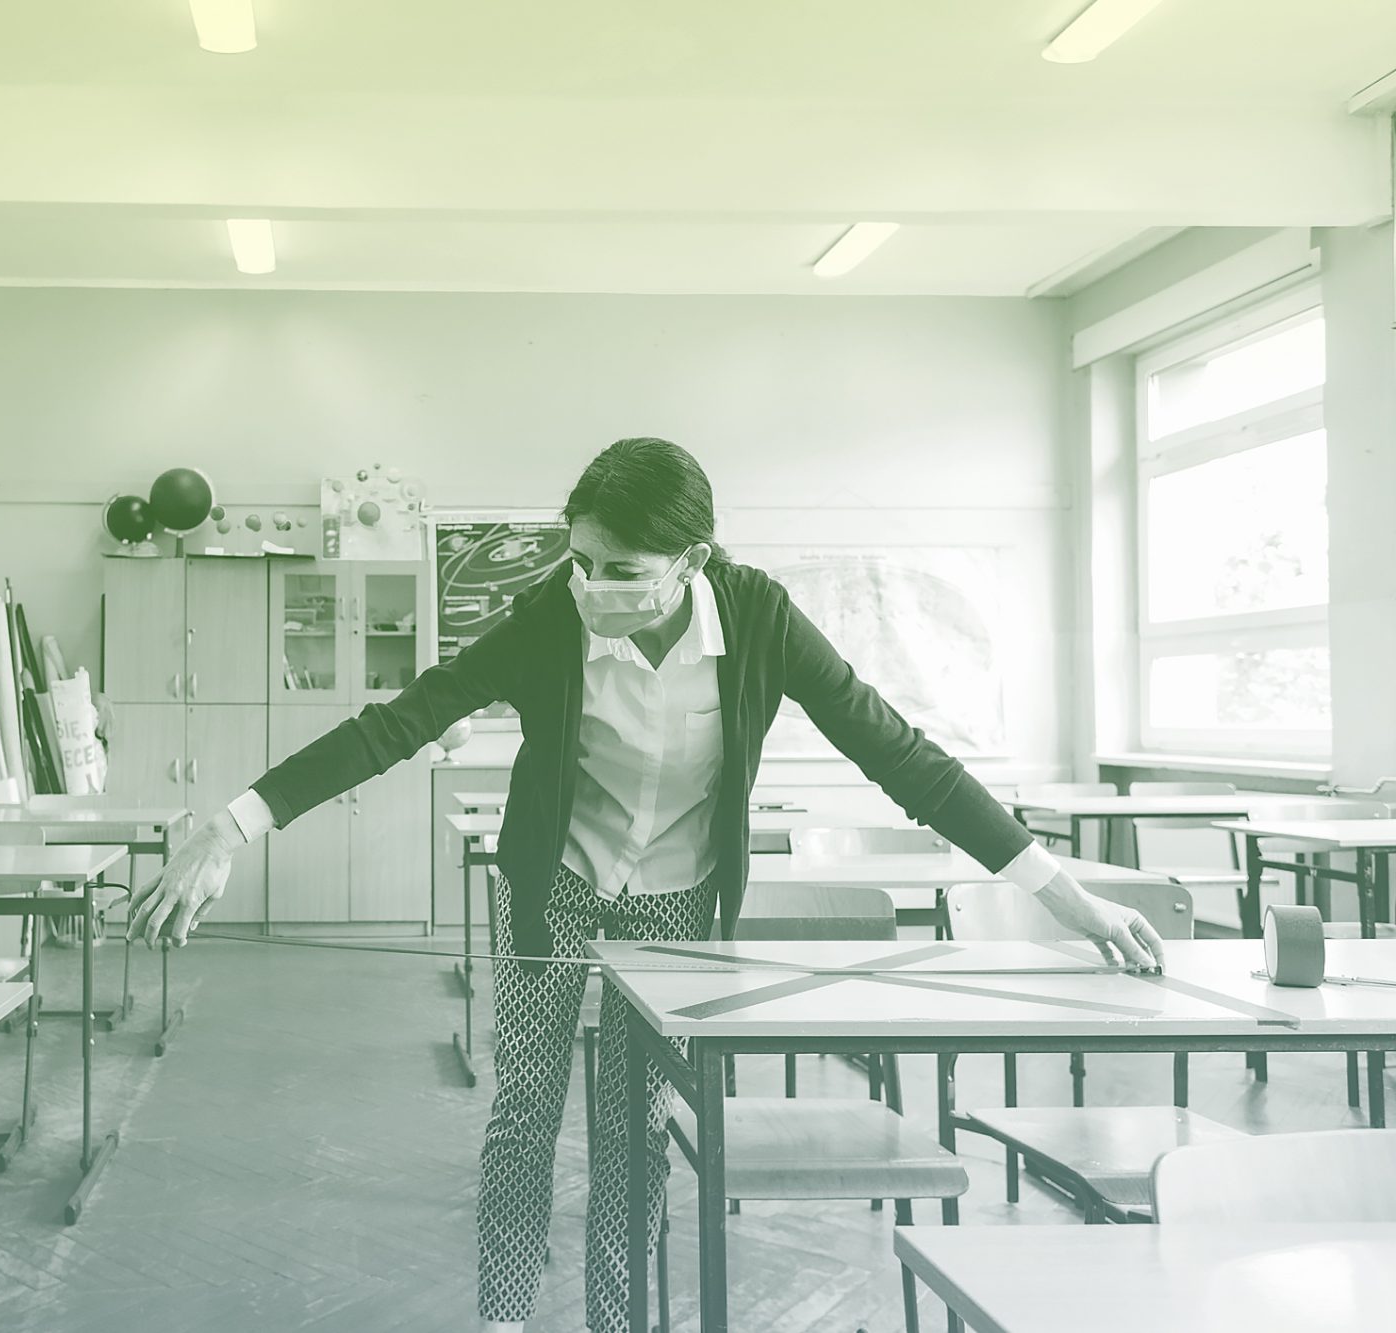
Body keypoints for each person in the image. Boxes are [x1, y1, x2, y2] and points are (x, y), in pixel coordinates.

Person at [129, 437, 1164, 1333]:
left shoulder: (758, 617)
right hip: (553, 886)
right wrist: (232, 823)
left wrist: (1061, 892)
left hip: (675, 901)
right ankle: (502, 1313)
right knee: (523, 1106)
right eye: (577, 560)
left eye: (618, 567)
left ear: (692, 560)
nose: (590, 585)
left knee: (631, 1131)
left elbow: (898, 753)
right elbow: (402, 718)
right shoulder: (549, 615)